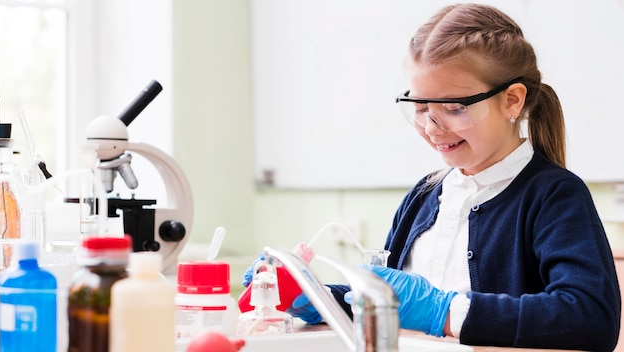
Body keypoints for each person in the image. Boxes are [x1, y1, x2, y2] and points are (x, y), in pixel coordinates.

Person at [242, 3, 621, 351]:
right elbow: (394, 305)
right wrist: (316, 296)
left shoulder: (554, 195)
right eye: (420, 107)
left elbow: (590, 318)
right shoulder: (426, 196)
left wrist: (445, 311)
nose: (432, 126)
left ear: (511, 100)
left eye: (454, 108)